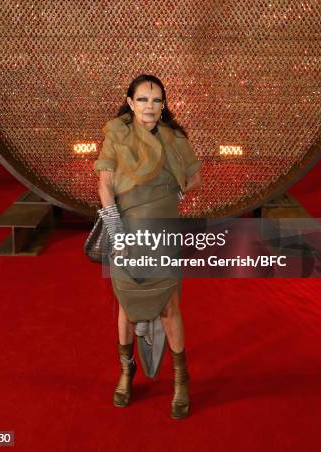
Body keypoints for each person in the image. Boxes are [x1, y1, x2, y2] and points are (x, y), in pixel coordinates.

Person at [94, 74, 202, 419]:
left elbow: (195, 176)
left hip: (162, 230)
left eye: (157, 100)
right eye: (142, 100)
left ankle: (181, 381)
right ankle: (126, 373)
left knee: (170, 307)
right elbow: (105, 185)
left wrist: (173, 195)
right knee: (127, 305)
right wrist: (116, 230)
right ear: (130, 102)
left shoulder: (174, 138)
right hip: (126, 229)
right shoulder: (117, 135)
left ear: (164, 105)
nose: (150, 107)